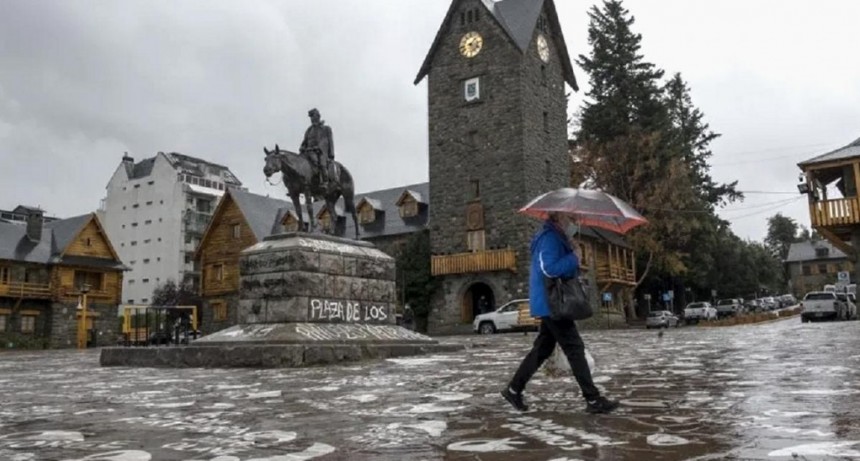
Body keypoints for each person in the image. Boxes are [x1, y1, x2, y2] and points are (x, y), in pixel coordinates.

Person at [501, 211, 619, 414]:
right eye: (571, 218)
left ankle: (514, 389)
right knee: (574, 348)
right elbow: (549, 269)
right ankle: (592, 398)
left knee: (542, 349)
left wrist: (572, 251)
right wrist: (573, 258)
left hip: (549, 302)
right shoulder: (550, 239)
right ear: (558, 217)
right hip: (553, 303)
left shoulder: (555, 237)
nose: (574, 222)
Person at [299, 108, 335, 189]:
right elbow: (304, 142)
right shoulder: (309, 130)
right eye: (310, 117)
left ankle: (325, 181)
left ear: (318, 116)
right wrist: (302, 147)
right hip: (308, 152)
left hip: (321, 152)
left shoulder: (326, 129)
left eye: (313, 116)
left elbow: (330, 142)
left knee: (322, 164)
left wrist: (331, 155)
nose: (312, 118)